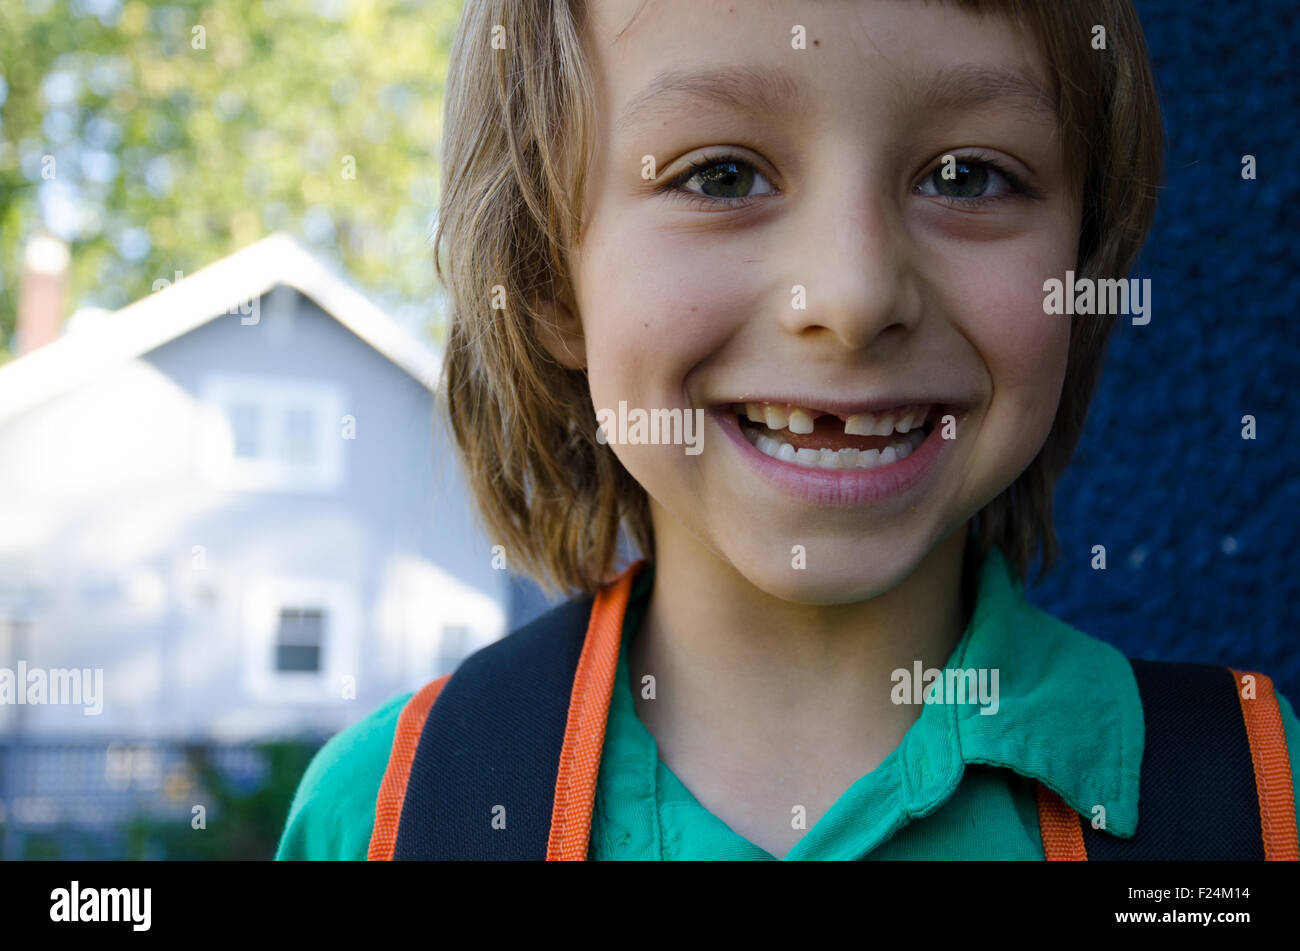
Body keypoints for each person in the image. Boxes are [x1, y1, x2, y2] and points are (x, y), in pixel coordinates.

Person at [277, 0, 1299, 861]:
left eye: (965, 176)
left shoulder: (1252, 803)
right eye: (719, 175)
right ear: (546, 280)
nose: (851, 296)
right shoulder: (390, 814)